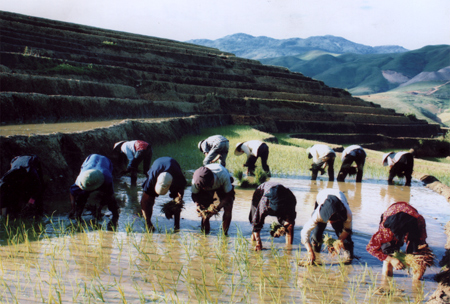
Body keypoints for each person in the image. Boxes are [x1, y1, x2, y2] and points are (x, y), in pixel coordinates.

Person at [366, 201, 428, 280]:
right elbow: (370, 248)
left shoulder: (419, 222)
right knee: (388, 252)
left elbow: (422, 245)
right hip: (392, 216)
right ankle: (386, 283)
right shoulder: (386, 230)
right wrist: (391, 259)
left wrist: (415, 257)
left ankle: (417, 282)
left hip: (412, 222)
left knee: (419, 257)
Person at [301, 188, 353, 265]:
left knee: (345, 238)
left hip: (340, 198)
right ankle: (316, 254)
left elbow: (347, 230)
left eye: (333, 221)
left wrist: (338, 242)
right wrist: (310, 251)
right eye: (329, 221)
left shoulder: (347, 213)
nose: (330, 223)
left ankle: (349, 259)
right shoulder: (318, 214)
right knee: (317, 235)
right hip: (322, 196)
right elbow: (304, 232)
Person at [69, 154, 119, 225]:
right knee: (82, 195)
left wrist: (99, 208)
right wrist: (73, 208)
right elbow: (72, 192)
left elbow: (110, 195)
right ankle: (78, 214)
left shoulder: (107, 178)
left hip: (105, 161)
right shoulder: (81, 179)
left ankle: (115, 215)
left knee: (110, 200)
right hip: (90, 159)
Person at [140, 157, 187, 231]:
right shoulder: (152, 178)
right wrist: (148, 222)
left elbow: (180, 198)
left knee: (177, 199)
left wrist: (176, 205)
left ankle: (176, 225)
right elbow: (144, 201)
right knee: (149, 200)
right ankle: (148, 223)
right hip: (157, 165)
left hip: (173, 167)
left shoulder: (178, 178)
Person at [249, 182, 296, 251]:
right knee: (256, 224)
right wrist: (258, 242)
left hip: (283, 200)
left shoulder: (290, 200)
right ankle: (254, 241)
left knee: (290, 227)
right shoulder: (264, 203)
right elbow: (256, 222)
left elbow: (290, 220)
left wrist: (282, 229)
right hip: (261, 192)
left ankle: (288, 250)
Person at [191, 163, 234, 235]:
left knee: (228, 207)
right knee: (204, 209)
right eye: (203, 187)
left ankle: (224, 234)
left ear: (212, 181)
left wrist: (217, 208)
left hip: (221, 184)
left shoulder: (222, 175)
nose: (206, 188)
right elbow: (194, 195)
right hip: (206, 184)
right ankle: (205, 234)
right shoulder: (196, 181)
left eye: (206, 187)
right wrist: (198, 205)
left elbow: (228, 195)